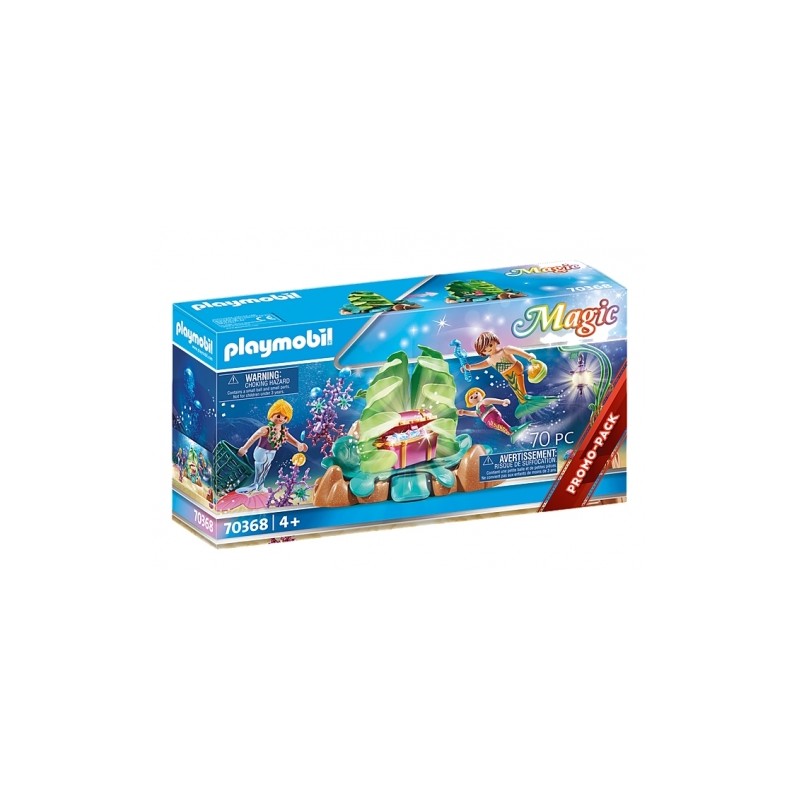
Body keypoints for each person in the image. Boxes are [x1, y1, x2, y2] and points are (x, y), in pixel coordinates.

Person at [462, 331, 555, 419]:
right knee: (514, 386)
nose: (489, 349)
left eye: (490, 345)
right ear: (482, 352)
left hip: (516, 368)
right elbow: (480, 365)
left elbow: (518, 351)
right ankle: (523, 400)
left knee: (519, 382)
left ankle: (525, 396)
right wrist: (469, 367)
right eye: (485, 350)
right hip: (507, 375)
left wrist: (529, 357)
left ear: (495, 341)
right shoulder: (489, 360)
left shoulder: (505, 350)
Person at [237, 399, 307, 492]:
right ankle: (256, 485)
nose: (281, 419)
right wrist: (244, 448)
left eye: (285, 417)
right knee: (260, 469)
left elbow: (290, 439)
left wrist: (298, 444)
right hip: (261, 451)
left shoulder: (283, 431)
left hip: (272, 452)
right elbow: (254, 437)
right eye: (278, 416)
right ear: (271, 415)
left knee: (266, 468)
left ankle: (260, 486)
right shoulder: (266, 429)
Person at [457, 387, 529, 443]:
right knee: (501, 426)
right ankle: (512, 431)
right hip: (489, 422)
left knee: (500, 425)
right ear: (470, 402)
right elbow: (475, 414)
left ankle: (512, 431)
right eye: (471, 397)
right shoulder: (477, 409)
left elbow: (492, 400)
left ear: (480, 393)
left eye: (476, 393)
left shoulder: (484, 401)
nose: (474, 396)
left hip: (492, 416)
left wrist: (502, 402)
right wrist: (464, 412)